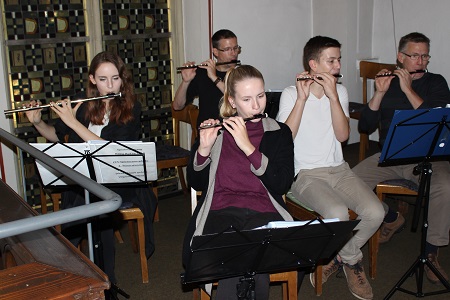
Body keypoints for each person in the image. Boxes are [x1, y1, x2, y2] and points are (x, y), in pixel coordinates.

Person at [25, 51, 157, 295]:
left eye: (115, 79)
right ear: (92, 80)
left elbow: (112, 152)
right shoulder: (82, 102)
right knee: (85, 197)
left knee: (93, 202)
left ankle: (98, 278)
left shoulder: (131, 108)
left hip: (119, 178)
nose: (110, 85)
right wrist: (37, 122)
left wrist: (73, 123)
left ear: (122, 79)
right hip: (86, 177)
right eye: (103, 79)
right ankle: (84, 274)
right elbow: (55, 134)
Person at [276, 36, 384, 300]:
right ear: (313, 64)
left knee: (375, 212)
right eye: (331, 60)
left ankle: (338, 257)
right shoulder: (291, 93)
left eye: (338, 60)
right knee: (338, 213)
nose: (337, 65)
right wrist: (301, 100)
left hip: (339, 169)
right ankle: (353, 262)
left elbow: (343, 135)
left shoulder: (341, 91)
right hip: (305, 174)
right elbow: (283, 141)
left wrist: (334, 96)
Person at [182, 65, 295, 299]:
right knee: (238, 254)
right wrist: (203, 149)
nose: (256, 105)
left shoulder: (279, 133)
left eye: (261, 96)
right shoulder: (217, 130)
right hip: (220, 212)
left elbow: (282, 183)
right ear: (232, 102)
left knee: (248, 253)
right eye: (246, 99)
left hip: (264, 212)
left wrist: (247, 146)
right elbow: (196, 182)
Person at [352, 32, 450, 284]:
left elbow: (433, 116)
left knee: (445, 187)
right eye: (414, 55)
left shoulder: (436, 82)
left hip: (428, 156)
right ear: (400, 56)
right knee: (349, 182)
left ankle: (431, 253)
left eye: (424, 55)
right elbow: (365, 125)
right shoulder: (387, 82)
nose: (421, 61)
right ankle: (392, 217)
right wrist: (378, 94)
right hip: (390, 155)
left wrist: (407, 89)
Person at [173, 29, 241, 127]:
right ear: (215, 52)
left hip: (231, 134)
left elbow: (237, 99)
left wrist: (214, 77)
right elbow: (177, 106)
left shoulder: (241, 74)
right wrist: (185, 81)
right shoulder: (202, 73)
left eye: (235, 48)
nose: (234, 53)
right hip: (206, 134)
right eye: (227, 49)